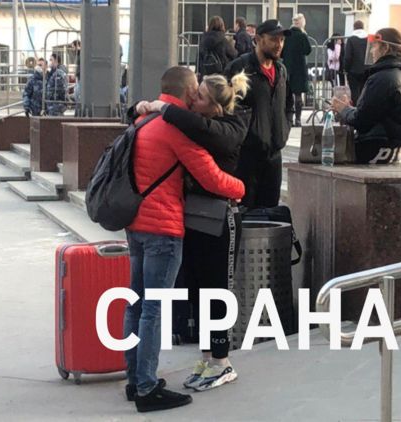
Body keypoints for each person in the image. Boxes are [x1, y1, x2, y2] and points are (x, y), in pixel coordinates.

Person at [123, 66, 245, 413]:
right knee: (153, 309)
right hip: (163, 226)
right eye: (196, 91)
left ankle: (135, 379)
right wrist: (241, 189)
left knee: (137, 304)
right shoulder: (173, 127)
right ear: (189, 91)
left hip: (137, 224)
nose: (196, 97)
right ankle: (147, 387)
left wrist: (141, 107)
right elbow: (213, 178)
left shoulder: (143, 120)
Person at [225, 19, 294, 208]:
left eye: (281, 40)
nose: (279, 44)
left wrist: (284, 130)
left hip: (274, 155)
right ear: (258, 39)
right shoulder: (240, 68)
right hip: (247, 155)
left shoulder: (281, 70)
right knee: (245, 212)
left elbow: (289, 104)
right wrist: (246, 135)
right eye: (273, 39)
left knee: (270, 212)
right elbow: (226, 106)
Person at [331, 28, 401, 164]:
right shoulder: (399, 74)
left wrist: (343, 109)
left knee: (326, 153)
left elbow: (362, 121)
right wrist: (350, 109)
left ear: (385, 48)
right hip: (392, 147)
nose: (371, 51)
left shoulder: (382, 78)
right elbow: (375, 113)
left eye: (374, 46)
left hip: (376, 145)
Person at [282, 14, 312, 127]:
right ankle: (298, 119)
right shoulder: (302, 35)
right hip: (299, 67)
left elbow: (281, 52)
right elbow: (308, 50)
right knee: (298, 95)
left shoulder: (286, 35)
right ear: (302, 23)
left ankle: (287, 118)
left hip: (287, 67)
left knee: (287, 93)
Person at [344, 20, 369, 105]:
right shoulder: (368, 39)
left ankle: (356, 109)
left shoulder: (351, 40)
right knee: (365, 92)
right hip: (367, 70)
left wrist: (346, 69)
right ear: (363, 27)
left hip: (353, 71)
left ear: (354, 28)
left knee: (355, 93)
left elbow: (348, 57)